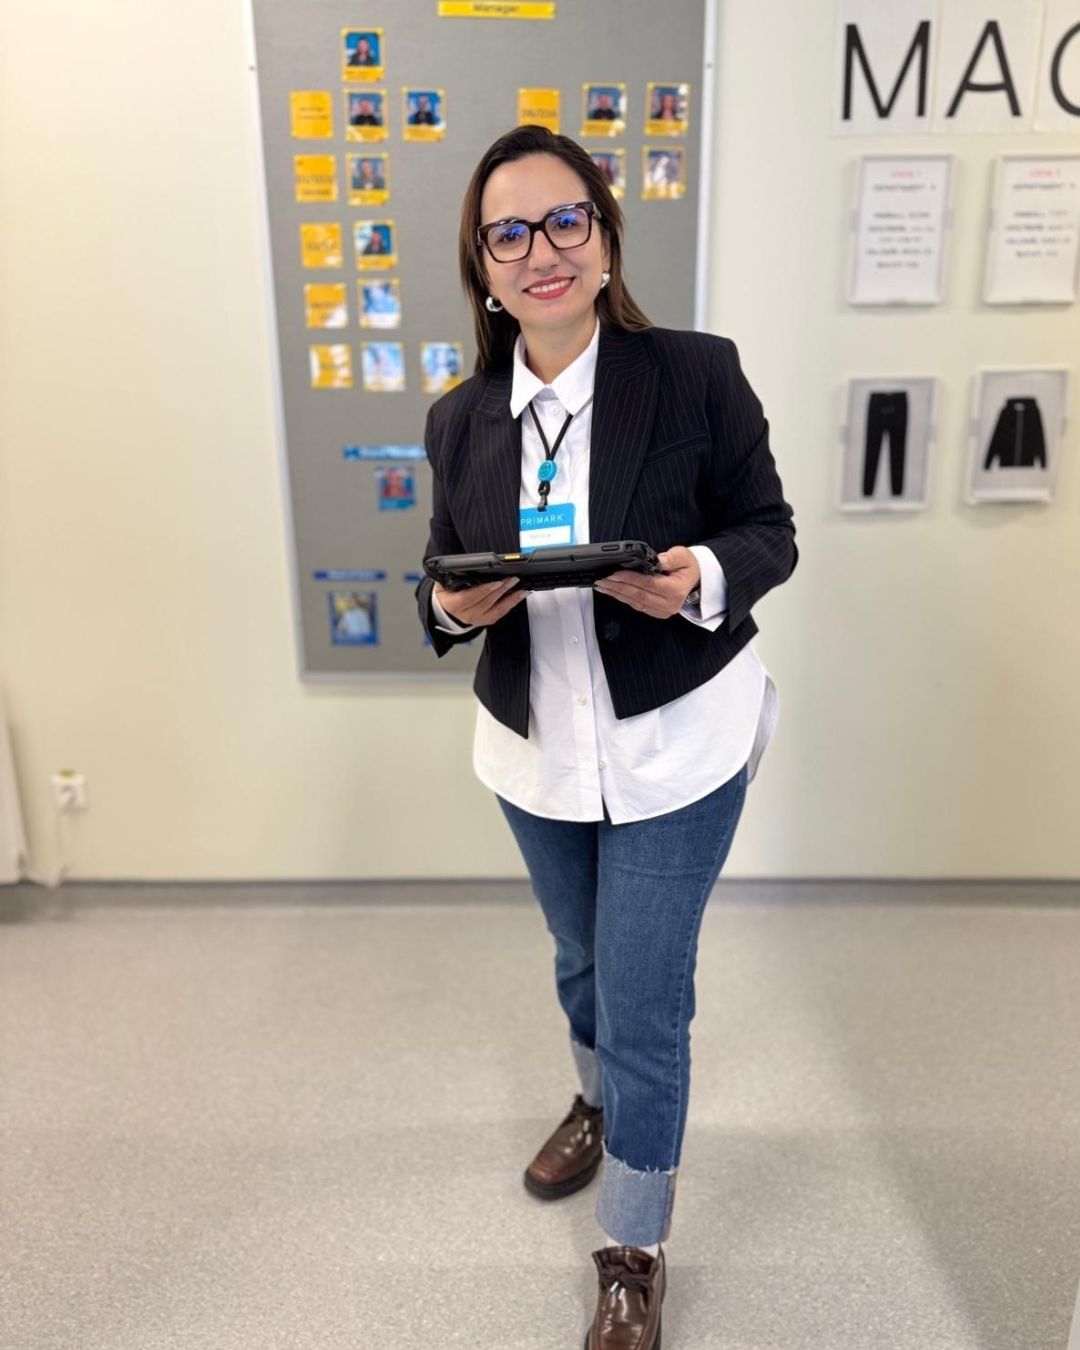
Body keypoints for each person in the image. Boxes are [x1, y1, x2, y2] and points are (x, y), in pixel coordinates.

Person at [415, 125, 797, 1350]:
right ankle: (594, 1102)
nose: (541, 251)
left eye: (564, 220)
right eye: (509, 233)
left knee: (641, 997)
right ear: (484, 268)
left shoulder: (694, 374)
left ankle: (633, 1247)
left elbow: (769, 530)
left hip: (677, 743)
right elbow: (437, 576)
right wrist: (453, 606)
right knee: (579, 958)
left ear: (605, 235)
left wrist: (697, 578)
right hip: (536, 753)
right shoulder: (459, 419)